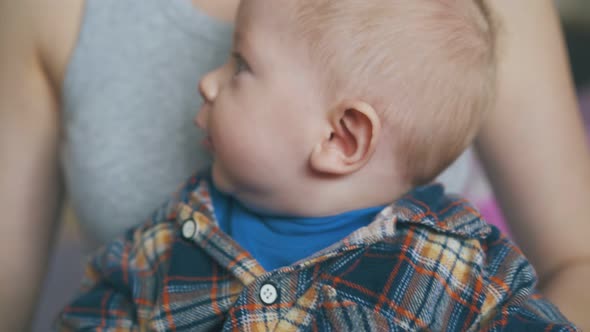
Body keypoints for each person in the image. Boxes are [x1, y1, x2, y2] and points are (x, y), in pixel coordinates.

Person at [1, 0, 589, 330]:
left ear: (341, 137)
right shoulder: (169, 239)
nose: (206, 84)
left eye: (240, 67)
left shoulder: (450, 264)